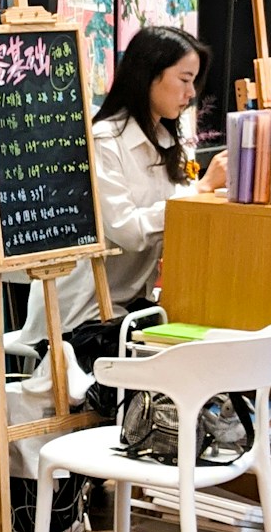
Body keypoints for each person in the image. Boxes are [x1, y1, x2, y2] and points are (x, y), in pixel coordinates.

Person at [60, 26, 226, 329]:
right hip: (86, 315)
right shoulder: (104, 142)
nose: (190, 94)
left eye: (194, 83)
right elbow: (128, 231)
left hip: (134, 308)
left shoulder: (166, 141)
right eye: (185, 80)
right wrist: (200, 191)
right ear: (149, 74)